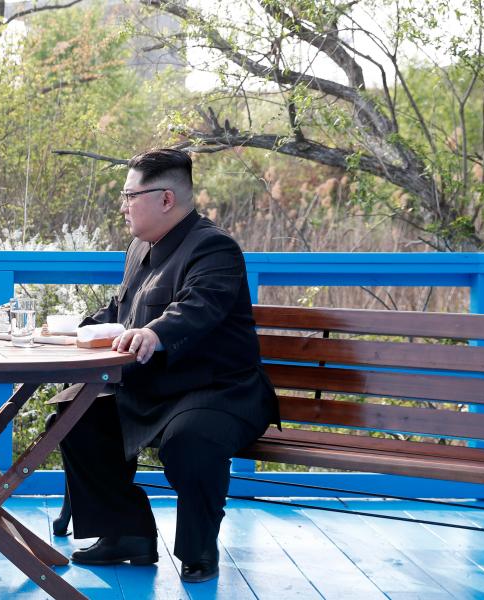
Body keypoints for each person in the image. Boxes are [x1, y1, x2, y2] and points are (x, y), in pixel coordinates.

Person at [58, 148, 279, 583]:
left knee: (190, 439)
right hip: (154, 388)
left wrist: (155, 333)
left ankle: (199, 550)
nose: (123, 206)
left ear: (165, 199)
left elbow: (199, 306)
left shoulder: (215, 247)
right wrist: (72, 330)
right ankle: (127, 533)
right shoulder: (141, 247)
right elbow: (121, 310)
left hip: (219, 391)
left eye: (129, 195)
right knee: (74, 415)